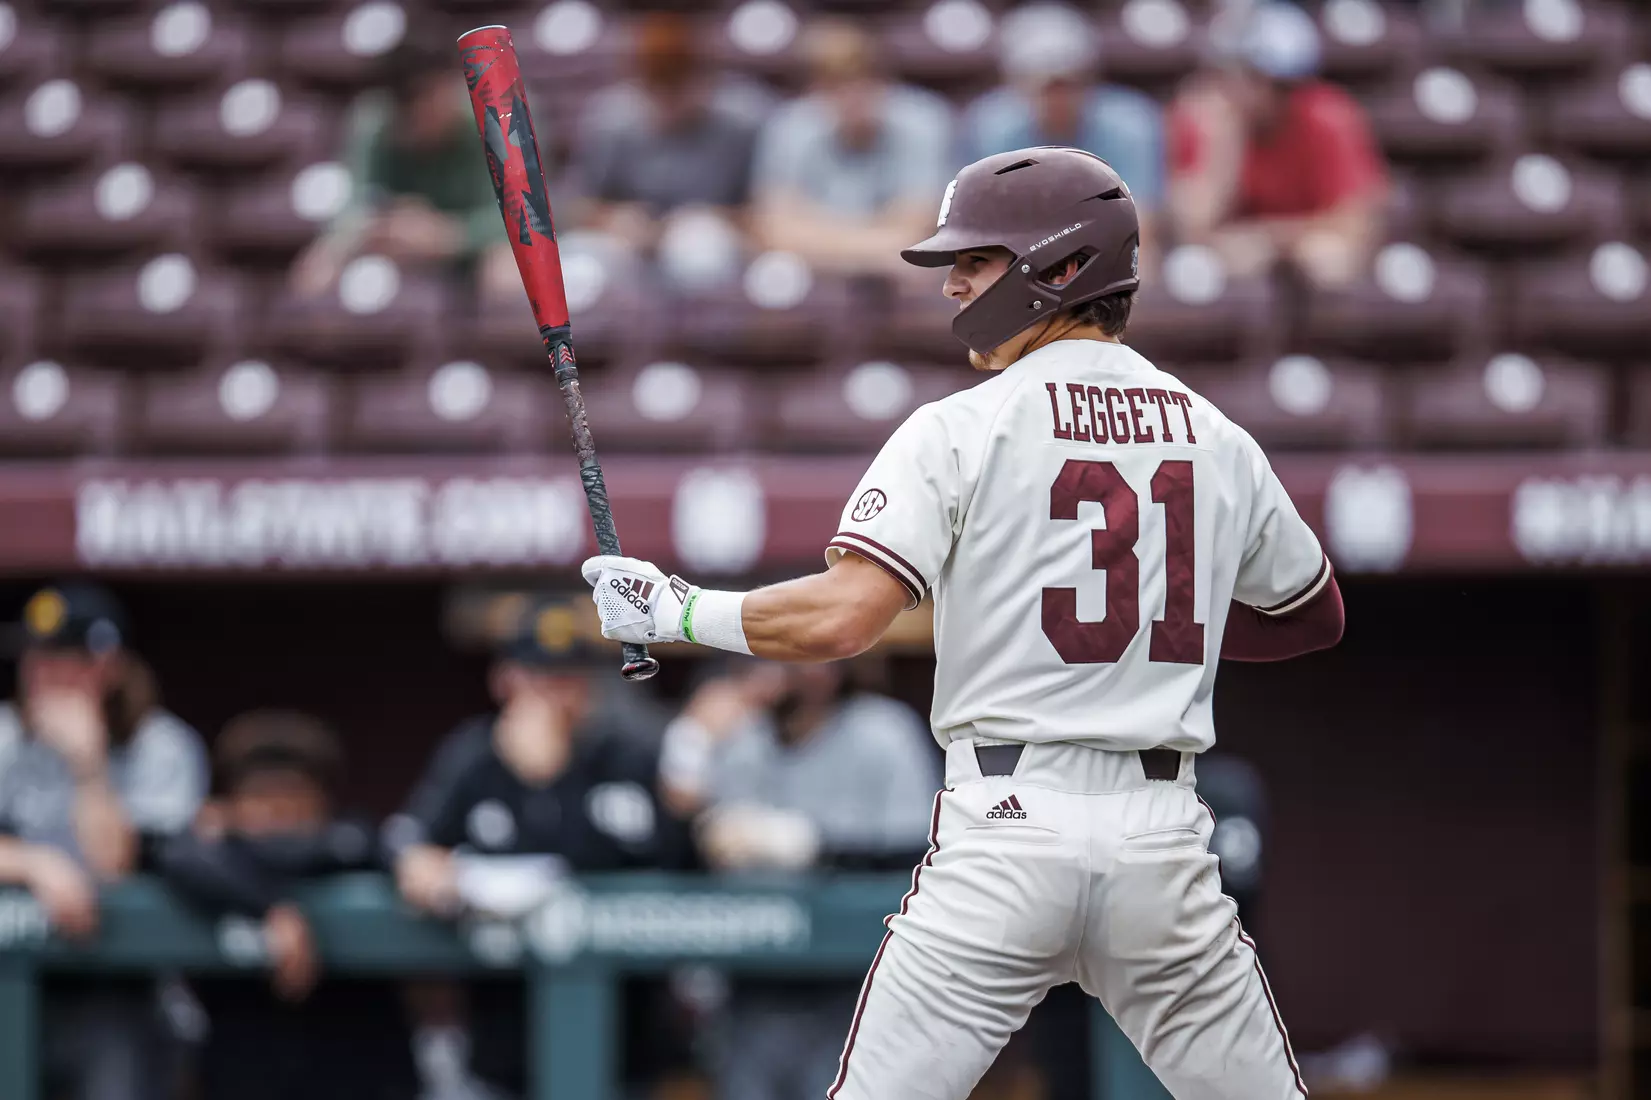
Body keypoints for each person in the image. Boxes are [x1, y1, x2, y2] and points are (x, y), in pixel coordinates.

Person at [582, 145, 1344, 1099]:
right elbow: (1312, 615)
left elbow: (840, 621)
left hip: (1007, 834)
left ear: (1059, 269)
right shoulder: (1216, 433)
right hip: (1162, 838)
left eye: (974, 262)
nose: (952, 287)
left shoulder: (962, 425)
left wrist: (675, 608)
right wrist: (1161, 612)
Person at [384, 597, 686, 1099]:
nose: (554, 695)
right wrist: (418, 862)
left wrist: (547, 784)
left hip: (626, 1039)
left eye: (568, 679)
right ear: (504, 681)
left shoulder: (627, 755)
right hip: (503, 1032)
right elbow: (410, 839)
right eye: (539, 678)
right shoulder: (473, 755)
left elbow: (670, 860)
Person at [661, 658, 938, 1100]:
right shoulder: (740, 737)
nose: (795, 673)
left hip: (858, 981)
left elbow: (922, 855)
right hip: (752, 976)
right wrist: (690, 747)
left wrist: (816, 847)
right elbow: (670, 844)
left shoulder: (883, 732)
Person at [0, 581, 208, 1100]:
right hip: (11, 972)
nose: (42, 675)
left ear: (107, 665)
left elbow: (114, 865)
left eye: (62, 659)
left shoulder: (162, 745)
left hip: (119, 984)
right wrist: (32, 863)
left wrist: (89, 766)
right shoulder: (3, 734)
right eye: (34, 658)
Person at [158, 711, 416, 1100]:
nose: (278, 813)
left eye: (292, 796)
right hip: (249, 1077)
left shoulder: (353, 843)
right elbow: (176, 857)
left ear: (323, 801)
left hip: (356, 1074)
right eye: (261, 798)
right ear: (232, 804)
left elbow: (364, 844)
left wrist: (263, 883)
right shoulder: (206, 857)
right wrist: (272, 906)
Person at [1167, 1, 1387, 288]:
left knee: (1327, 256)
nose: (1271, 95)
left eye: (1283, 85)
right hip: (1229, 252)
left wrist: (1271, 238)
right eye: (1255, 78)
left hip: (1294, 244)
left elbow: (1356, 224)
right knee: (1198, 264)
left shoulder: (1329, 117)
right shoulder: (1201, 117)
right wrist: (1225, 142)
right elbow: (1191, 229)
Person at [289, 33, 518, 300]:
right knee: (319, 268)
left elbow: (525, 216)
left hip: (476, 245)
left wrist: (449, 236)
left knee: (507, 273)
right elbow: (355, 204)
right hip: (403, 245)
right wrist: (369, 232)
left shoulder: (498, 117)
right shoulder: (375, 124)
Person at [958, 3, 1163, 270]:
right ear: (1017, 83)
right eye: (1047, 87)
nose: (1059, 98)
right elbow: (985, 227)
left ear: (1089, 78)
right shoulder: (991, 127)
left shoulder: (1131, 124)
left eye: (1068, 83)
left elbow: (1139, 226)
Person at [749, 18, 952, 275]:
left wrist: (818, 237)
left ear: (884, 79)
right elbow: (776, 228)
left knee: (919, 268)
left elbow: (917, 228)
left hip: (884, 265)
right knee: (776, 270)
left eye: (861, 78)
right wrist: (870, 247)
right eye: (835, 83)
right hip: (832, 262)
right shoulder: (790, 127)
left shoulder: (923, 120)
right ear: (815, 87)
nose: (851, 94)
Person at [577, 11, 765, 253]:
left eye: (677, 85)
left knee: (700, 246)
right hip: (632, 242)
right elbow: (582, 207)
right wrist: (616, 219)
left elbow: (763, 212)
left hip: (710, 241)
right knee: (582, 262)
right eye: (657, 85)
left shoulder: (741, 123)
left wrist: (711, 217)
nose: (667, 98)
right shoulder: (612, 121)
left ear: (706, 77)